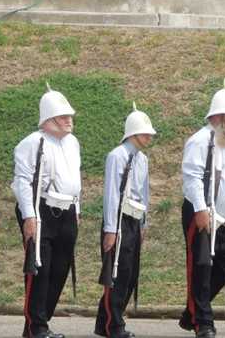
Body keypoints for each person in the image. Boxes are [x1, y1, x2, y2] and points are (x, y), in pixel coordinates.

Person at [179, 81, 225, 338]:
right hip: (203, 215)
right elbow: (192, 177)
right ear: (218, 117)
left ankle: (193, 312)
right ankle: (203, 322)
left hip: (224, 220)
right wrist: (200, 210)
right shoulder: (201, 140)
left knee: (224, 267)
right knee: (202, 267)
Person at [12, 86, 82, 338]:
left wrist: (77, 208)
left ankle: (39, 323)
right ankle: (36, 326)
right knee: (39, 270)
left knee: (60, 269)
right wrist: (29, 216)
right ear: (48, 120)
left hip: (67, 210)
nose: (68, 120)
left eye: (69, 116)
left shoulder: (73, 143)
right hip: (41, 210)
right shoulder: (32, 142)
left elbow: (76, 177)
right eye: (62, 117)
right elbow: (22, 182)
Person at [94, 104, 156, 338]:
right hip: (118, 221)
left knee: (130, 274)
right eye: (145, 132)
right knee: (117, 275)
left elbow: (144, 193)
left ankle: (104, 322)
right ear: (133, 133)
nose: (149, 136)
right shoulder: (117, 156)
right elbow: (112, 194)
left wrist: (143, 223)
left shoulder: (142, 159)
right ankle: (114, 325)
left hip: (134, 220)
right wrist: (111, 229)